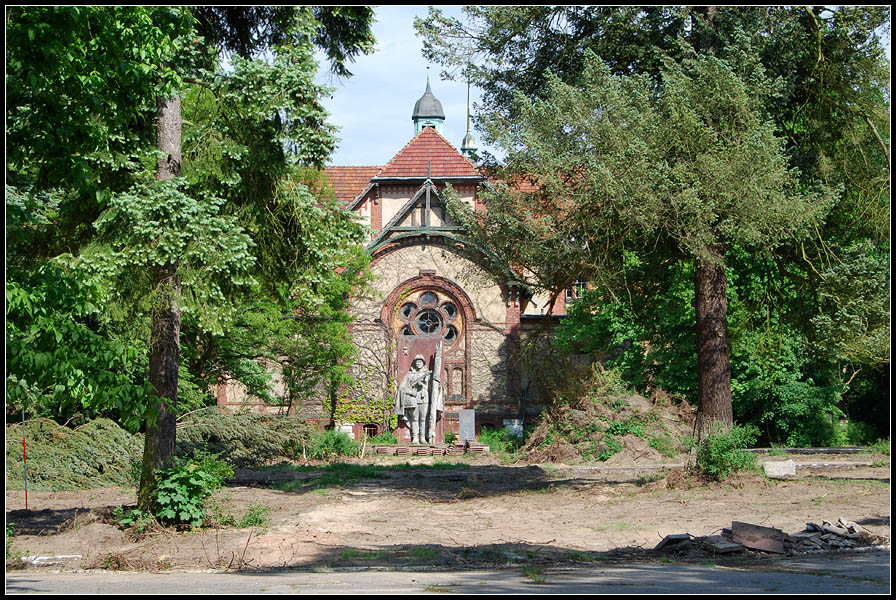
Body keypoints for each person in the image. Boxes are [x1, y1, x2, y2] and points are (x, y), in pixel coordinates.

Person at [394, 355, 431, 443]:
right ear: (414, 363)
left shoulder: (427, 374)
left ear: (423, 363)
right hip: (413, 398)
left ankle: (422, 437)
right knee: (414, 418)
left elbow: (432, 387)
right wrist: (411, 392)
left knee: (423, 419)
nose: (418, 364)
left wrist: (422, 385)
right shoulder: (409, 374)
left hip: (423, 397)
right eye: (417, 362)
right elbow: (402, 387)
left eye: (420, 362)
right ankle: (415, 437)